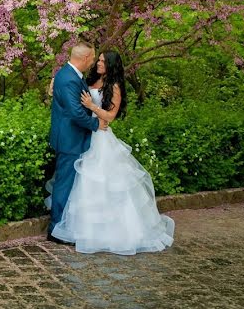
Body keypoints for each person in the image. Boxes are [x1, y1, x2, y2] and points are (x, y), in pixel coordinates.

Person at [48, 50, 175, 254]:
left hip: (100, 134)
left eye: (103, 62)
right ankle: (73, 226)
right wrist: (56, 87)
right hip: (85, 134)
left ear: (112, 65)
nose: (98, 63)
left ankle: (105, 230)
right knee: (80, 182)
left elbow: (111, 116)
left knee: (104, 184)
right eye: (97, 60)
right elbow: (71, 95)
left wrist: (92, 107)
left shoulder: (114, 86)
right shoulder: (88, 80)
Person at [45, 42, 107, 245]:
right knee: (64, 183)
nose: (93, 62)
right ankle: (55, 230)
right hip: (69, 139)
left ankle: (64, 225)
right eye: (92, 58)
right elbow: (75, 112)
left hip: (71, 137)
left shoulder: (68, 75)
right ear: (85, 58)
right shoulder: (69, 79)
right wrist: (95, 124)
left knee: (68, 182)